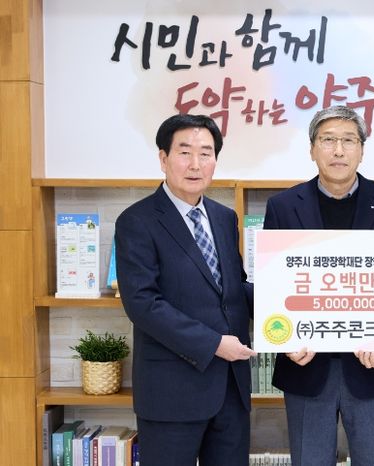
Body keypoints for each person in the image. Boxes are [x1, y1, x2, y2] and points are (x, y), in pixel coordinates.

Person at [263, 105, 374, 466]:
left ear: (362, 149)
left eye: (348, 140)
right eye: (328, 140)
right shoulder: (282, 206)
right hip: (305, 366)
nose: (338, 150)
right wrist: (284, 340)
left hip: (372, 366)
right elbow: (273, 285)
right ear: (312, 149)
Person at [115, 114, 256, 466]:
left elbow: (233, 290)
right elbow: (143, 304)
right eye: (184, 152)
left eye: (206, 153)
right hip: (171, 394)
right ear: (163, 158)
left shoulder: (224, 218)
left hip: (230, 390)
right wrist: (214, 343)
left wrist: (290, 306)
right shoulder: (136, 221)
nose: (196, 164)